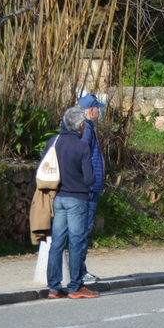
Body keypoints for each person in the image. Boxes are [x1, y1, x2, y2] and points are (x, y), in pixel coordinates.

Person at [44, 106, 98, 298]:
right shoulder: (81, 146)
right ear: (81, 125)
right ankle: (75, 286)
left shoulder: (54, 141)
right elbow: (90, 178)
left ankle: (54, 287)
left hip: (58, 197)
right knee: (76, 242)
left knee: (57, 242)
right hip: (77, 198)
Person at [76, 94, 106, 284]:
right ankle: (80, 272)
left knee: (83, 230)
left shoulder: (88, 127)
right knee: (83, 230)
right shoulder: (86, 128)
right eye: (97, 109)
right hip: (88, 188)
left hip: (90, 186)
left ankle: (79, 270)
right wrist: (89, 180)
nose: (99, 112)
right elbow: (83, 156)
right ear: (90, 111)